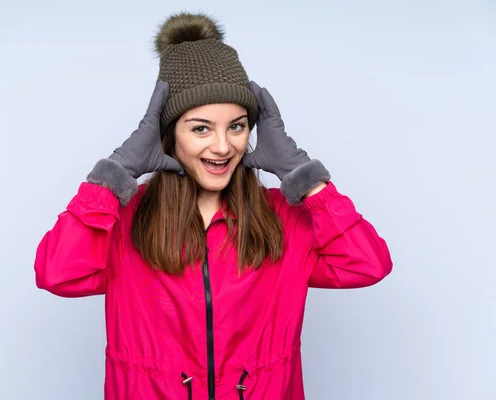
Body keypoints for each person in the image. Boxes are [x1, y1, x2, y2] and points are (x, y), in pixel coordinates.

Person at [34, 11, 392, 400]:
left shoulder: (282, 219)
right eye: (201, 128)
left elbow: (368, 264)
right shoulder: (122, 221)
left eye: (237, 126)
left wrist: (304, 176)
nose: (223, 147)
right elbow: (57, 274)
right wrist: (114, 175)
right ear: (169, 136)